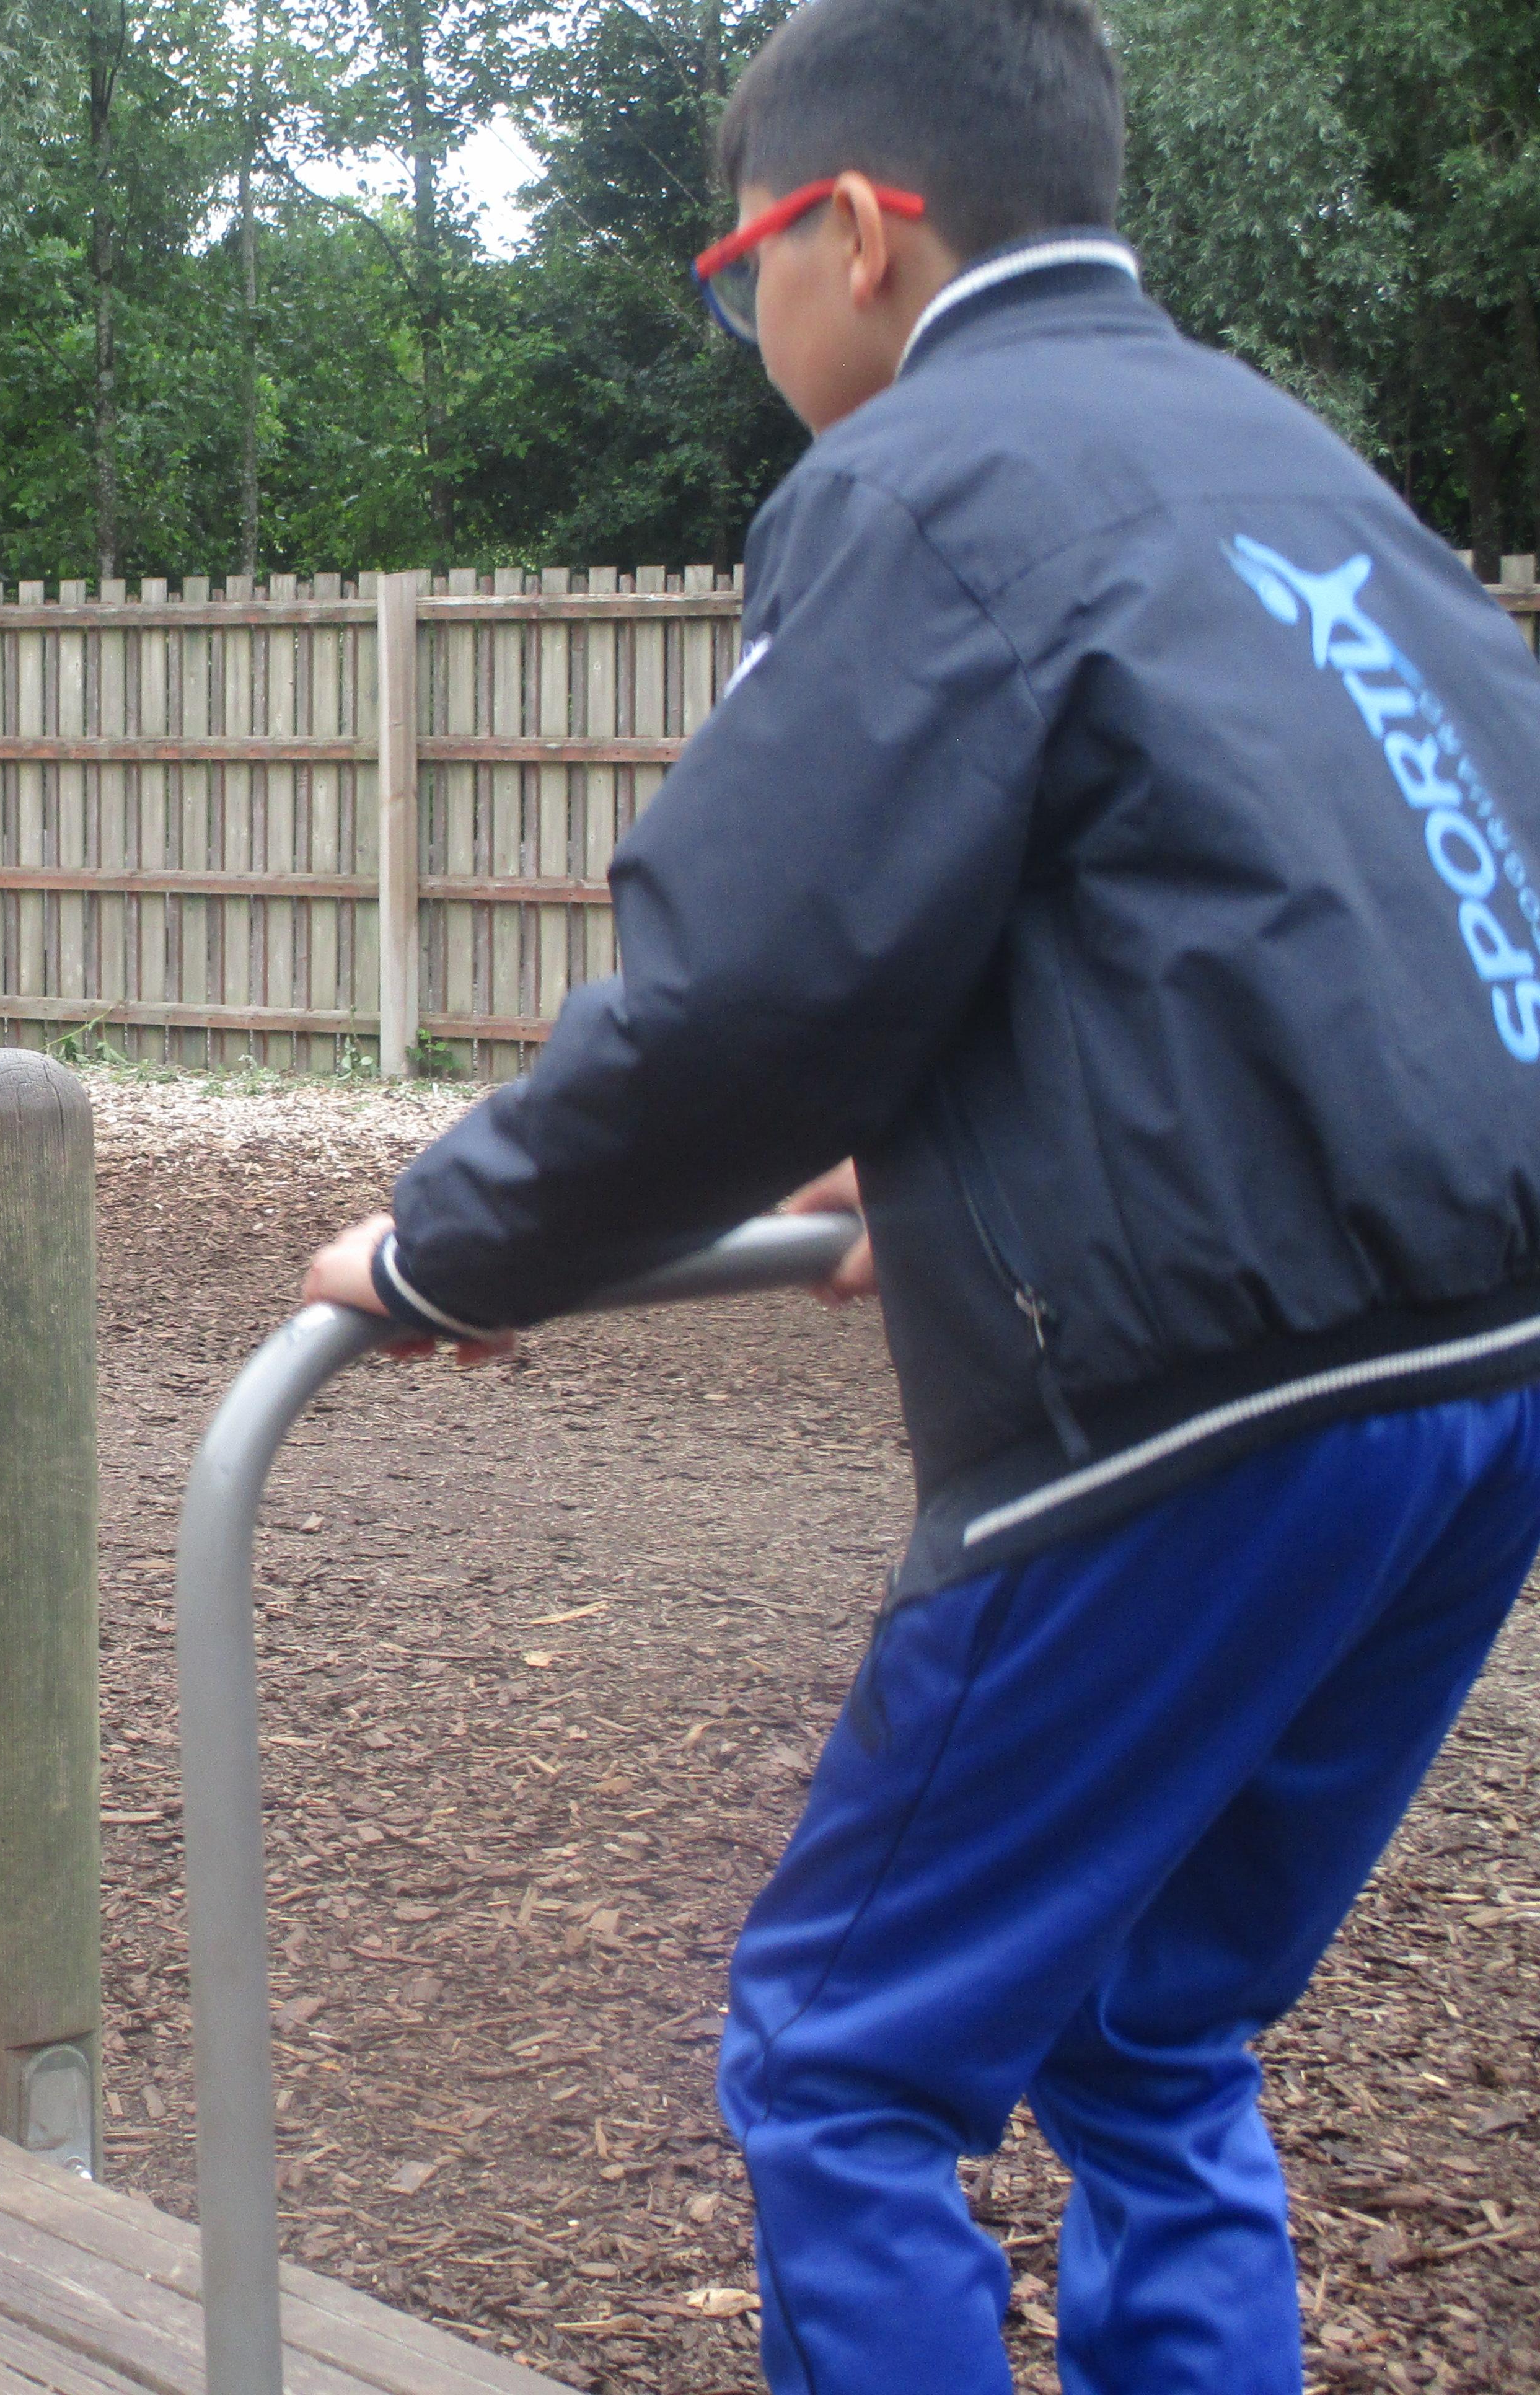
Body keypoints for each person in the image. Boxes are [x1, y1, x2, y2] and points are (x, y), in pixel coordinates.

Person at [296, 0, 1540, 2387]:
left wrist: (448, 1242)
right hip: (1483, 1364)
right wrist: (969, 1140)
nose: (742, 322)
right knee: (1153, 2024)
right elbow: (1285, 897)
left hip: (1200, 1400)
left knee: (845, 2054)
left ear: (856, 231)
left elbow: (747, 988)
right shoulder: (1285, 461)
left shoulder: (924, 480)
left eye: (732, 271)